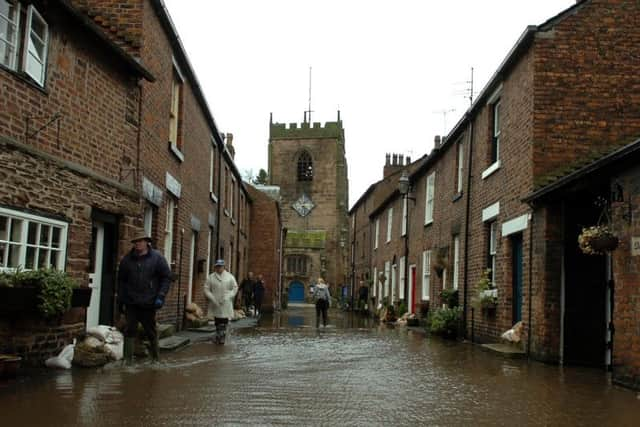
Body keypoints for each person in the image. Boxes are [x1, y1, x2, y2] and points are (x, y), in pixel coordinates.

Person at [117, 235, 172, 363]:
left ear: (147, 242)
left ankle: (156, 359)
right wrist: (120, 299)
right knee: (130, 329)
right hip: (131, 301)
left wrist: (161, 296)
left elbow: (166, 277)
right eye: (135, 242)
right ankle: (127, 361)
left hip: (149, 301)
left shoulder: (157, 258)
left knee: (150, 330)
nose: (137, 244)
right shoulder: (127, 260)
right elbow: (121, 281)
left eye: (140, 241)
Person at [204, 259, 238, 344]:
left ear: (224, 267)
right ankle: (219, 335)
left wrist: (229, 296)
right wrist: (212, 298)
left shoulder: (230, 277)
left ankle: (222, 336)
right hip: (215, 302)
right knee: (217, 319)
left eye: (220, 266)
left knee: (224, 319)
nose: (219, 268)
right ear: (215, 267)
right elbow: (206, 289)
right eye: (217, 266)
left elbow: (235, 288)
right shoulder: (211, 277)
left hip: (226, 302)